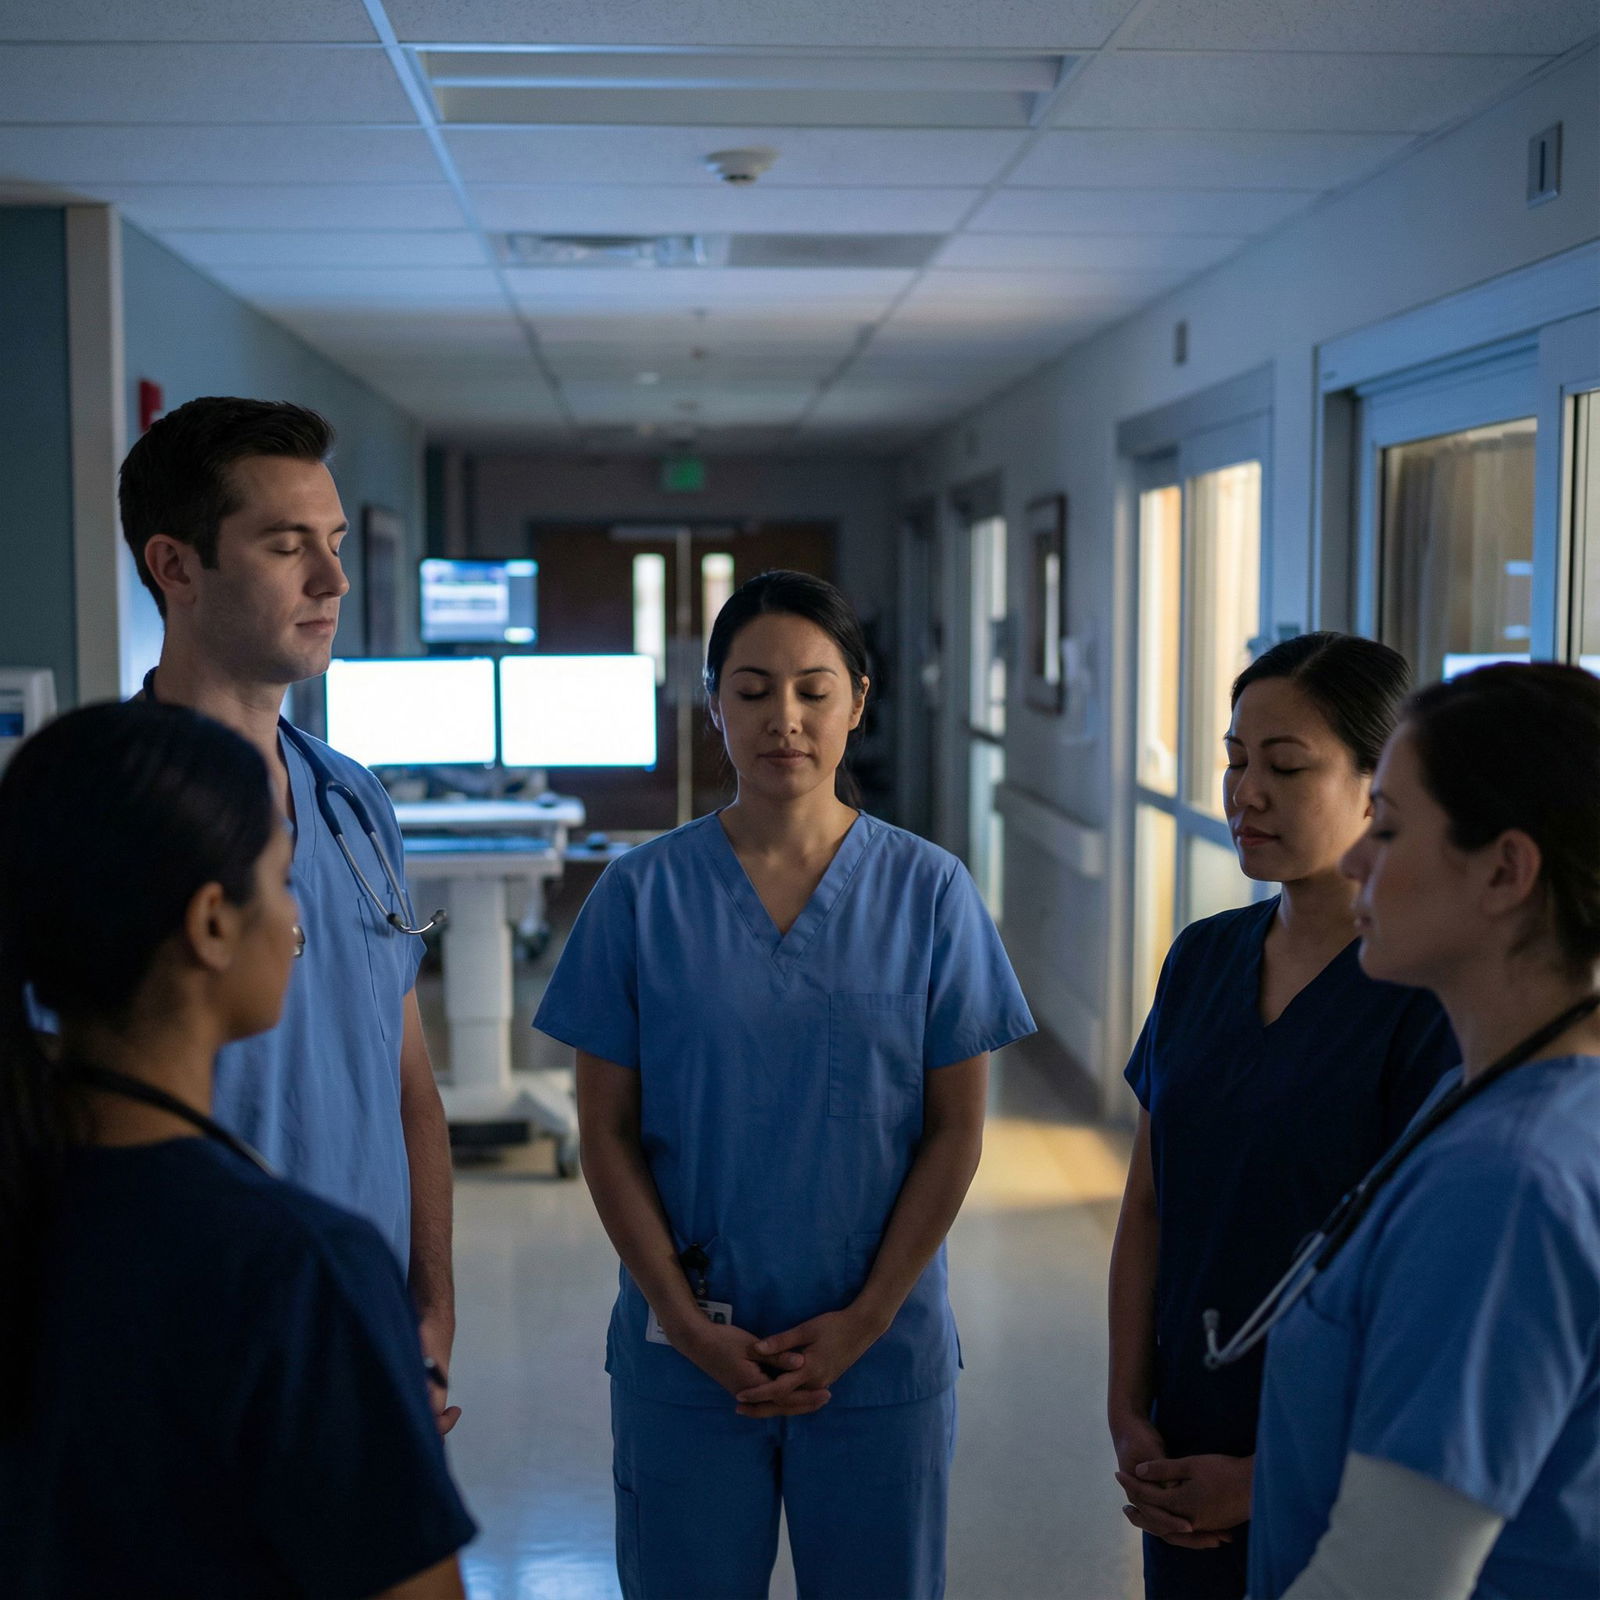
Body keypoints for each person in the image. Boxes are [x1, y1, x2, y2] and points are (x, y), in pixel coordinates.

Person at [534, 570, 1034, 1600]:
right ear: (712, 705)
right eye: (752, 690)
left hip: (876, 1351)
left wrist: (863, 1320)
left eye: (814, 689)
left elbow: (954, 1134)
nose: (785, 720)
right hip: (687, 1355)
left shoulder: (929, 890)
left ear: (858, 699)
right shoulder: (640, 894)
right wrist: (680, 1321)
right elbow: (607, 1132)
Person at [0, 700, 475, 1598]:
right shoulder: (296, 1273)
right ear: (213, 923)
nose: (297, 926)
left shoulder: (36, 1209)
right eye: (282, 882)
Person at [118, 396, 458, 1429]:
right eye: (286, 545)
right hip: (186, 1368)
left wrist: (432, 1316)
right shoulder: (104, 813)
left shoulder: (353, 802)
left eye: (337, 542)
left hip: (363, 1340)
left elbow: (407, 1088)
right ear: (175, 567)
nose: (334, 581)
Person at [1107, 632, 1458, 1597]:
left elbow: (1430, 1299)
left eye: (1285, 765)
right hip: (1184, 1442)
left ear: (1379, 786)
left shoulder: (1424, 1001)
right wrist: (1128, 1409)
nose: (1243, 792)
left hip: (1342, 1459)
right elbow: (1148, 1203)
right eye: (1234, 759)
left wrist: (1270, 1480)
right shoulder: (1202, 959)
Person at [1248, 662, 1600, 1600]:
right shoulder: (1489, 1092)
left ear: (1505, 870)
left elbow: (1387, 1579)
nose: (1359, 858)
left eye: (1392, 827)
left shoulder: (1510, 1182)